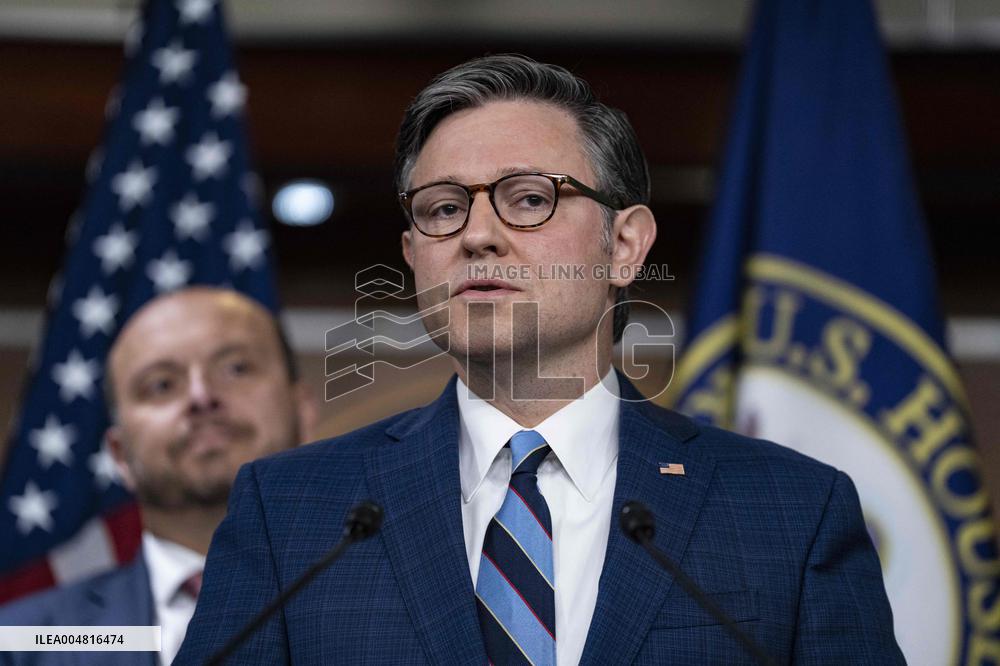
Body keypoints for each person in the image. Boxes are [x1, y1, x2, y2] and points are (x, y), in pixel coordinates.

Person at [177, 55, 903, 664]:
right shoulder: (293, 513)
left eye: (529, 199)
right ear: (413, 255)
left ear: (624, 246)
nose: (477, 236)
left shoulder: (790, 513)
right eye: (441, 209)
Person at [0, 287, 316, 666]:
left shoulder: (392, 601)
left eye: (236, 368)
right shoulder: (23, 641)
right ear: (119, 456)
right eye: (162, 384)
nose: (201, 396)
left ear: (303, 413)